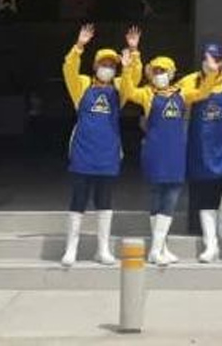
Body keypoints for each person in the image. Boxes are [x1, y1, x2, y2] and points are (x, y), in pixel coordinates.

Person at [121, 48, 220, 265]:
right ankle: (158, 249)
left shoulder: (182, 94)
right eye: (156, 71)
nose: (159, 75)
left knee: (172, 198)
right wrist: (127, 68)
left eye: (163, 71)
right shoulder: (147, 94)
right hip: (155, 152)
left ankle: (159, 249)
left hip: (176, 153)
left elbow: (203, 93)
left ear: (171, 73)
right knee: (157, 197)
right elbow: (127, 91)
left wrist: (212, 73)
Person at [60, 23, 142, 267]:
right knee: (78, 199)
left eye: (112, 65)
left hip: (108, 152)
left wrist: (133, 54)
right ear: (96, 66)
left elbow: (134, 80)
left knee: (104, 201)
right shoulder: (82, 85)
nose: (108, 68)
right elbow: (68, 68)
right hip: (83, 151)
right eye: (104, 64)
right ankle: (71, 248)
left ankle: (102, 249)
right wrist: (79, 46)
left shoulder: (119, 88)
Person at [179, 43, 222, 263]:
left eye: (214, 59)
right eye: (206, 59)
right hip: (202, 148)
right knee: (205, 197)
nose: (210, 63)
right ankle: (211, 245)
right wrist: (210, 78)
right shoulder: (190, 80)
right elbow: (189, 98)